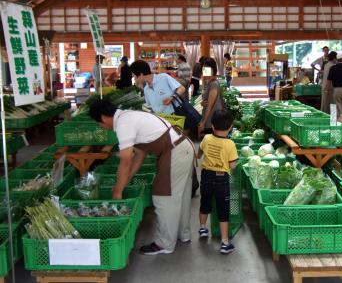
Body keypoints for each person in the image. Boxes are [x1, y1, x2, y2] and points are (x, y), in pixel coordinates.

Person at [88, 99, 194, 255]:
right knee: (180, 196)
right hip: (182, 147)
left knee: (163, 196)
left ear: (103, 118)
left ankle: (164, 243)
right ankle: (182, 235)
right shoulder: (129, 116)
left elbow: (126, 160)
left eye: (99, 124)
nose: (102, 127)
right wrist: (125, 181)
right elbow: (139, 154)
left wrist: (117, 191)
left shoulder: (123, 124)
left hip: (174, 152)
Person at [198, 109, 238, 254]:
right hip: (222, 179)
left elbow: (200, 152)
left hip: (206, 175)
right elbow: (233, 165)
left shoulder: (207, 138)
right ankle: (225, 242)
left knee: (205, 202)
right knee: (223, 209)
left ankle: (203, 228)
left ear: (213, 126)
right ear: (230, 127)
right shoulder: (230, 144)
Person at [198, 57, 225, 136]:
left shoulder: (213, 84)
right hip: (210, 120)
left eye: (206, 69)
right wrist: (202, 103)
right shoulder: (209, 82)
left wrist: (203, 123)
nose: (204, 72)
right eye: (203, 70)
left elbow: (210, 106)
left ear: (213, 70)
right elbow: (207, 102)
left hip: (211, 121)